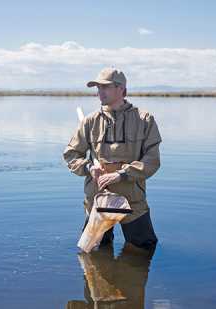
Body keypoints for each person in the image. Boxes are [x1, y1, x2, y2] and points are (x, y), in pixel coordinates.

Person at [63, 67, 162, 251]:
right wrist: (88, 168)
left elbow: (152, 161)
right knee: (94, 253)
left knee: (144, 249)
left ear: (122, 89)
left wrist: (122, 174)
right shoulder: (90, 121)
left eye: (105, 87)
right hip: (98, 200)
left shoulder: (144, 120)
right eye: (98, 88)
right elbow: (71, 155)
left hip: (133, 200)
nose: (100, 92)